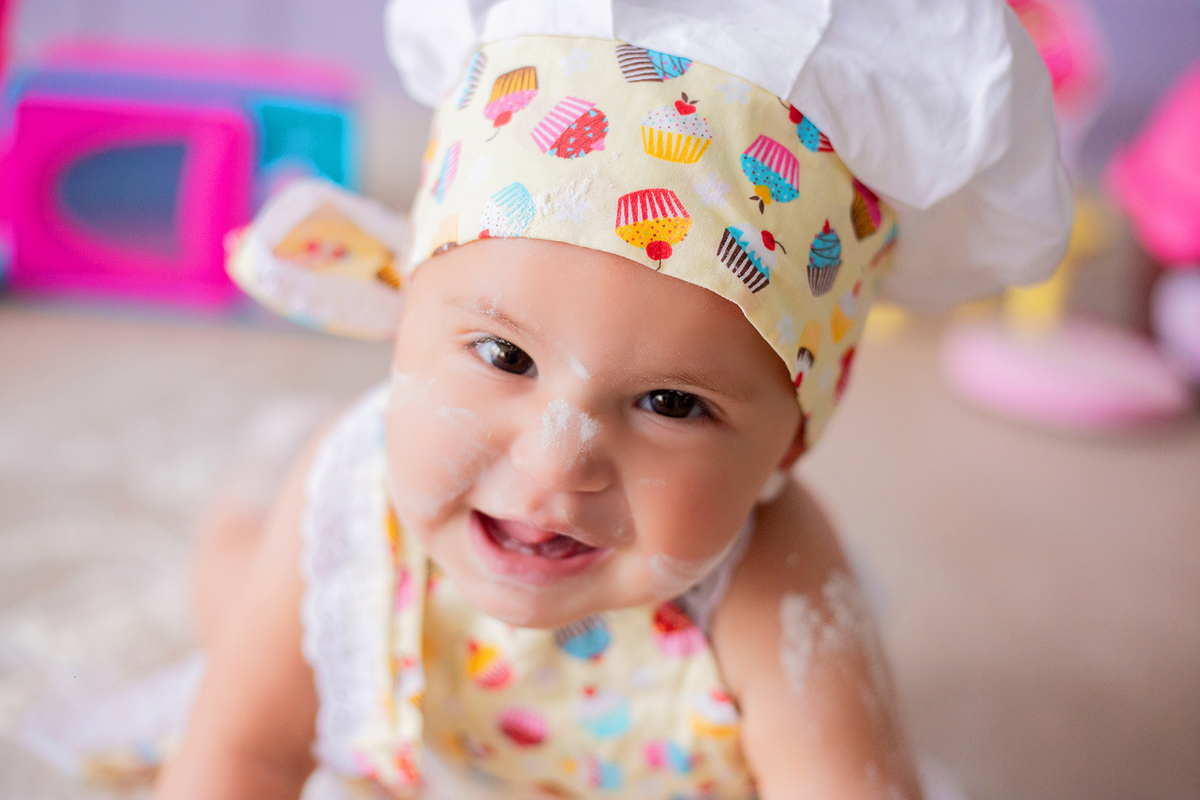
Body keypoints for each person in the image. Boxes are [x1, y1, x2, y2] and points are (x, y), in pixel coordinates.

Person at [155, 1, 1073, 797]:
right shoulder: (355, 496)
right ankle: (243, 503)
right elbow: (243, 753)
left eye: (672, 404)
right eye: (503, 354)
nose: (555, 461)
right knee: (240, 614)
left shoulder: (775, 583)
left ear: (789, 447)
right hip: (425, 736)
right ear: (405, 324)